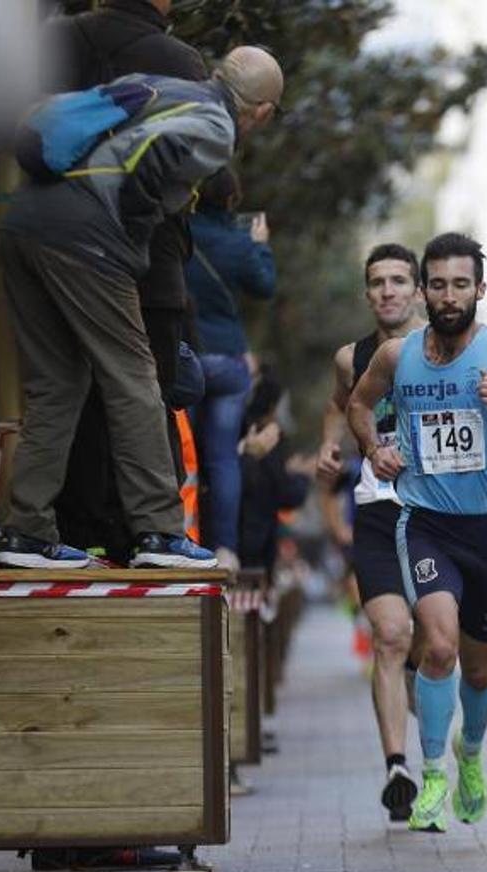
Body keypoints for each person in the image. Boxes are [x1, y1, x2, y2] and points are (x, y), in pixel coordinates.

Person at [0, 47, 283, 569]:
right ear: (261, 110)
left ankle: (27, 530)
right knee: (134, 378)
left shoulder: (158, 85)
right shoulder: (215, 124)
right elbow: (150, 169)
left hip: (23, 224)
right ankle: (159, 531)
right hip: (86, 238)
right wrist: (128, 247)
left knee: (57, 384)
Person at [347, 232, 487, 833]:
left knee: (481, 667)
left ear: (479, 290)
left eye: (459, 284)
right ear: (424, 290)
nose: (447, 295)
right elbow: (360, 406)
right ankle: (432, 769)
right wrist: (375, 446)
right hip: (426, 526)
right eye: (437, 284)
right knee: (437, 646)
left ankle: (470, 756)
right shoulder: (396, 357)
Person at [43, 0, 209, 564]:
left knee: (66, 388)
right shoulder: (175, 58)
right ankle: (148, 532)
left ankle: (64, 526)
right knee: (143, 388)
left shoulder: (56, 40)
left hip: (54, 242)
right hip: (143, 256)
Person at [317, 243, 427, 821]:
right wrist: (330, 445)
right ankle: (397, 769)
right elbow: (339, 405)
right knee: (389, 635)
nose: (387, 290)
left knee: (434, 649)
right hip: (378, 510)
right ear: (368, 293)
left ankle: (440, 744)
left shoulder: (449, 350)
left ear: (417, 290)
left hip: (440, 515)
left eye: (398, 281)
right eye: (377, 282)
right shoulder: (350, 357)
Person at [184, 167, 277, 570]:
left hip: (183, 358)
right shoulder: (240, 242)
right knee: (223, 459)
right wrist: (260, 246)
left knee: (180, 454)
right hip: (228, 360)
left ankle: (178, 538)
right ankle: (225, 550)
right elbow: (264, 286)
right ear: (233, 200)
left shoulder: (179, 232)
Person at [237, 369, 313, 574]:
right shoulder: (264, 442)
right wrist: (302, 476)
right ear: (272, 407)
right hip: (252, 547)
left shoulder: (239, 432)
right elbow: (285, 493)